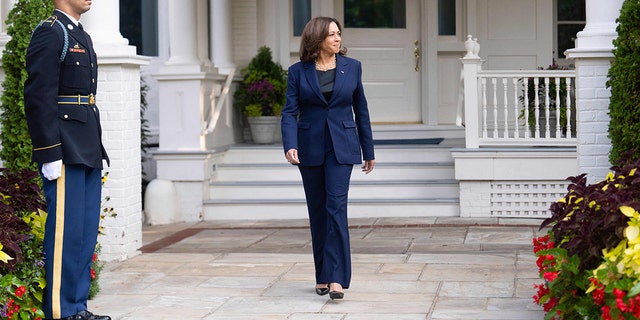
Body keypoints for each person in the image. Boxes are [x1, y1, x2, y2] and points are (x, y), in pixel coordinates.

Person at [24, 0, 110, 319]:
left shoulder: (80, 35)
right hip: (63, 145)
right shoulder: (51, 32)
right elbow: (37, 95)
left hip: (86, 143)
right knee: (65, 234)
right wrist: (48, 152)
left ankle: (77, 308)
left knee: (84, 235)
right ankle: (61, 312)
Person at [281, 16, 375, 300]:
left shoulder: (352, 67)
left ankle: (336, 278)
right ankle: (321, 275)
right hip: (309, 148)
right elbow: (289, 112)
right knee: (318, 211)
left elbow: (362, 110)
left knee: (335, 207)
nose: (337, 39)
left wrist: (368, 150)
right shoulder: (298, 72)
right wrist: (290, 144)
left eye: (339, 34)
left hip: (342, 147)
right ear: (317, 39)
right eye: (331, 35)